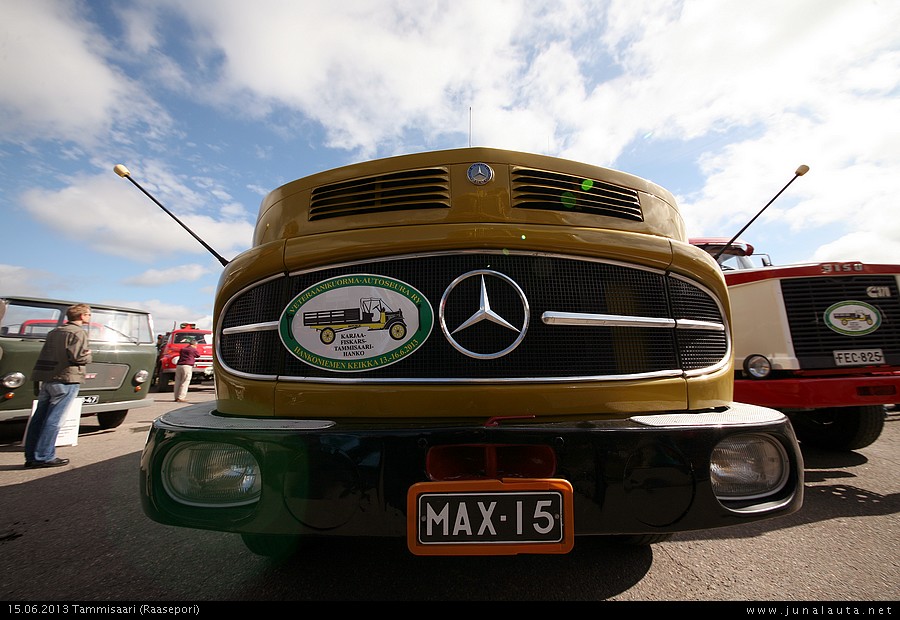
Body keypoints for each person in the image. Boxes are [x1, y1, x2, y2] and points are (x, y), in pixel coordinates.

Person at [24, 303, 93, 469]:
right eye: (88, 314)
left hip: (47, 379)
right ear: (82, 316)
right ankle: (45, 456)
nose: (89, 317)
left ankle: (31, 455)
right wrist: (89, 355)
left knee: (39, 418)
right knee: (55, 420)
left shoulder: (54, 331)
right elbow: (78, 357)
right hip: (66, 378)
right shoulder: (78, 332)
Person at [173, 337, 199, 403]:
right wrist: (195, 349)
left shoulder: (183, 349)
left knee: (178, 381)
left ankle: (176, 397)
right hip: (187, 366)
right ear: (194, 344)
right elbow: (198, 355)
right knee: (185, 382)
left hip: (179, 365)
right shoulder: (193, 349)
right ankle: (181, 397)